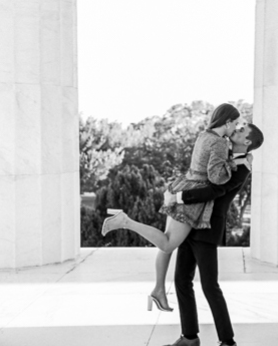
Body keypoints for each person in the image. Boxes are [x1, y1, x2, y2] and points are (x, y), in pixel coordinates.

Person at [102, 103, 249, 311]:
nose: (236, 127)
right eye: (235, 123)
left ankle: (158, 290)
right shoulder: (220, 143)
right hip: (193, 196)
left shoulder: (204, 135)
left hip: (183, 182)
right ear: (227, 122)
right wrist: (232, 166)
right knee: (168, 244)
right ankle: (126, 221)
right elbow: (216, 178)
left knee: (167, 242)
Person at [160, 123, 264, 346]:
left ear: (247, 142)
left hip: (207, 228)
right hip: (190, 222)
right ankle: (189, 336)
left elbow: (214, 191)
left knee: (210, 286)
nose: (235, 132)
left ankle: (228, 343)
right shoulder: (225, 152)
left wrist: (178, 197)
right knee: (181, 281)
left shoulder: (243, 169)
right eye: (236, 128)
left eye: (240, 132)